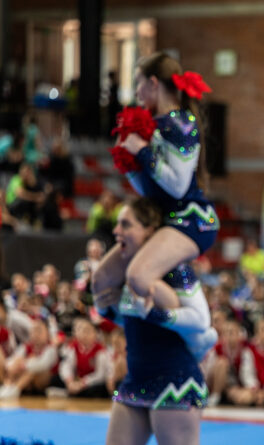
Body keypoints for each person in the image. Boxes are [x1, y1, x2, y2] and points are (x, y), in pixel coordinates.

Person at [92, 51, 219, 329]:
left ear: (153, 83)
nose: (136, 92)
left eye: (138, 83)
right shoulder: (154, 125)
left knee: (139, 276)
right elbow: (150, 189)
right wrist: (130, 166)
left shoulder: (181, 123)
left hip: (190, 220)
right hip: (161, 219)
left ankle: (193, 335)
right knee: (101, 280)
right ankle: (138, 334)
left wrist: (144, 153)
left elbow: (177, 186)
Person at [95, 198, 210, 445]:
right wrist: (105, 307)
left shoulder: (177, 270)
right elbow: (133, 322)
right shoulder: (129, 274)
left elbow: (201, 321)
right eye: (117, 224)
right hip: (136, 380)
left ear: (149, 230)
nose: (117, 231)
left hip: (174, 381)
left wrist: (157, 312)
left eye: (126, 225)